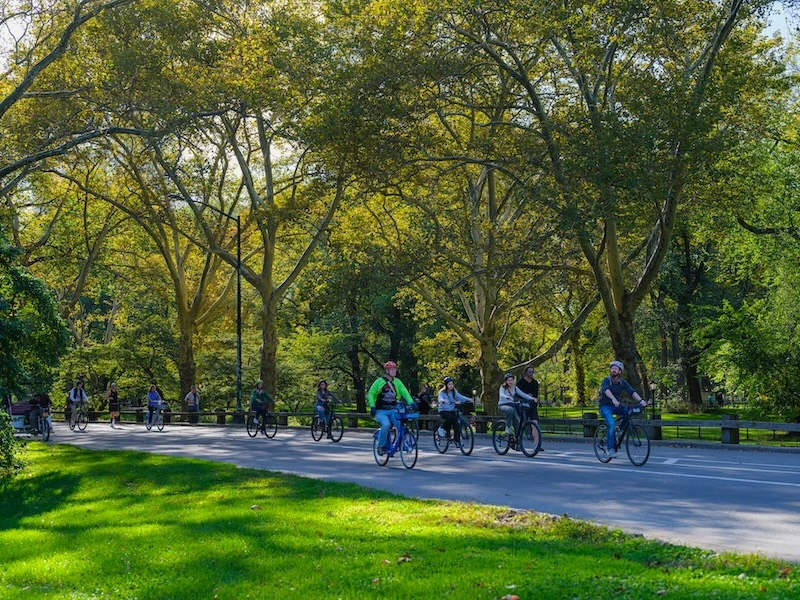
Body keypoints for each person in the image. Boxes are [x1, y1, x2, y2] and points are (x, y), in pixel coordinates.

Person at [599, 360, 647, 458]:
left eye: (616, 369)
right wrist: (613, 399)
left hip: (616, 405)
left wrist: (641, 401)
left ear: (620, 371)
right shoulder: (606, 380)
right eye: (612, 368)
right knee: (611, 424)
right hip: (605, 406)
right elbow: (606, 390)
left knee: (628, 412)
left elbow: (631, 391)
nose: (613, 370)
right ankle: (610, 449)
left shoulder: (622, 382)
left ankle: (619, 431)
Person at [366, 360, 415, 455]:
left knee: (399, 423)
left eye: (395, 369)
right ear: (387, 371)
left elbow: (404, 392)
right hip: (381, 411)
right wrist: (372, 406)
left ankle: (399, 443)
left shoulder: (397, 382)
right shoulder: (379, 381)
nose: (394, 371)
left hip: (393, 410)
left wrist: (411, 403)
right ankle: (381, 445)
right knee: (386, 424)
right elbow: (371, 393)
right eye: (391, 369)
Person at [498, 373, 535, 448]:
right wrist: (507, 397)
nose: (510, 382)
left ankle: (516, 443)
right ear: (506, 381)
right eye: (508, 380)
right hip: (503, 405)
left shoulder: (515, 388)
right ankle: (507, 426)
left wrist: (532, 398)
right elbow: (501, 394)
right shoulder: (503, 387)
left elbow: (523, 394)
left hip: (513, 405)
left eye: (511, 380)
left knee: (517, 422)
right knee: (510, 410)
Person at [437, 376, 472, 444]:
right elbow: (440, 398)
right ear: (446, 385)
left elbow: (460, 397)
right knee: (451, 418)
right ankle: (441, 428)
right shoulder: (442, 392)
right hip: (443, 410)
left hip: (451, 410)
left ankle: (457, 440)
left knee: (456, 422)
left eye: (452, 384)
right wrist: (443, 400)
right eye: (449, 384)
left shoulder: (454, 392)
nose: (451, 386)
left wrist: (468, 399)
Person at [516, 365, 543, 451]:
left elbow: (535, 395)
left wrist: (532, 398)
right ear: (525, 373)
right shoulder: (520, 382)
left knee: (535, 423)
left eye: (532, 372)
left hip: (532, 406)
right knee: (521, 424)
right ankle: (518, 443)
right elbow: (517, 394)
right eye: (530, 372)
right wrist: (526, 396)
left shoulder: (535, 383)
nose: (531, 374)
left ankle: (537, 444)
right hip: (522, 406)